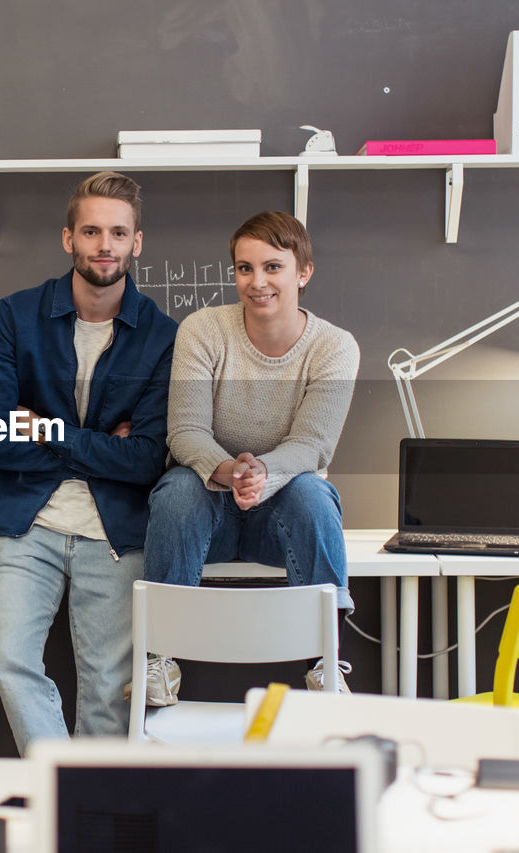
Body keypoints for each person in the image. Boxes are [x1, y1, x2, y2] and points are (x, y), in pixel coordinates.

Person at [0, 172, 178, 754]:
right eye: (91, 231)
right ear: (69, 239)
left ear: (137, 242)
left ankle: (95, 815)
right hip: (23, 526)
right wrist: (97, 444)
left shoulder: (163, 336)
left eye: (117, 232)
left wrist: (50, 430)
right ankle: (61, 783)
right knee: (12, 661)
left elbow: (146, 461)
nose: (103, 244)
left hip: (115, 533)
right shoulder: (14, 315)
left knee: (110, 690)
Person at [143, 209, 359, 698]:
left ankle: (326, 661)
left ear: (303, 272)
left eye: (272, 267)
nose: (256, 281)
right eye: (245, 268)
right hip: (207, 512)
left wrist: (262, 473)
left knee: (313, 491)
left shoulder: (335, 348)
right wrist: (228, 471)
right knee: (177, 485)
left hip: (281, 518)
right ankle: (160, 660)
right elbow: (185, 430)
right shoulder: (203, 330)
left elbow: (314, 444)